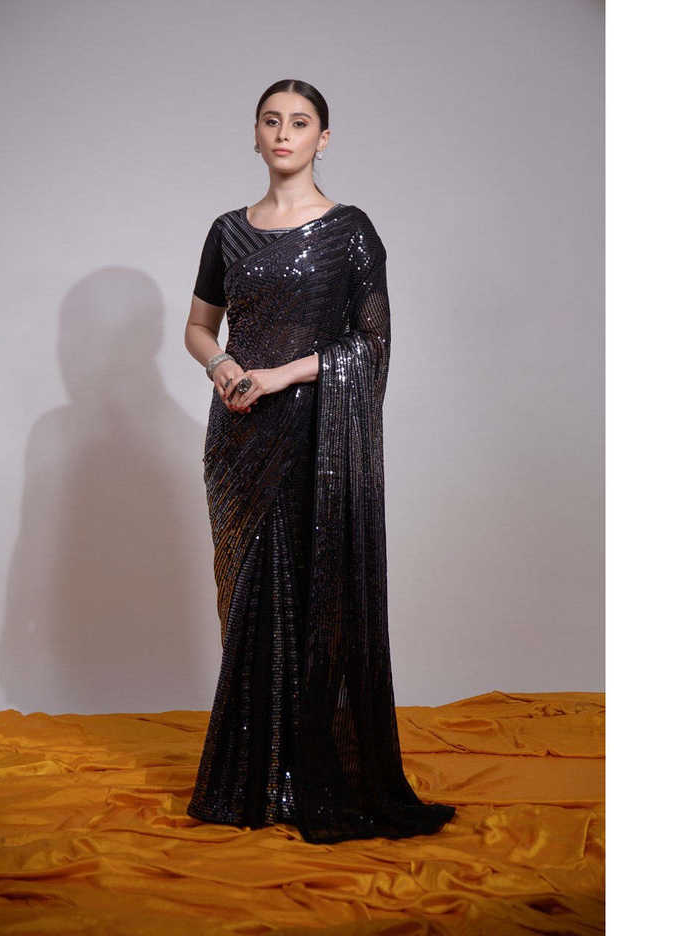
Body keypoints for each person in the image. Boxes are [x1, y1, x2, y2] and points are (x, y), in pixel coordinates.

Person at [183, 79, 456, 844]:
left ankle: (312, 777)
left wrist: (279, 375)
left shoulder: (351, 232)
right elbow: (199, 328)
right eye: (271, 121)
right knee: (246, 604)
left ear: (322, 139)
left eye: (299, 123)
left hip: (314, 435)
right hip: (237, 438)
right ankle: (251, 779)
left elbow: (371, 344)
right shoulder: (227, 232)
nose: (283, 133)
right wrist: (222, 366)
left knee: (313, 597)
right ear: (255, 134)